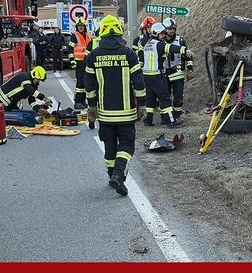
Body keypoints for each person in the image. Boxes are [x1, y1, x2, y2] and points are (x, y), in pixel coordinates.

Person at [85, 16, 147, 196]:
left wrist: (92, 106)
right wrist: (142, 105)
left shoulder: (94, 56)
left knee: (110, 147)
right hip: (126, 114)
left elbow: (89, 84)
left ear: (102, 32)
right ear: (119, 31)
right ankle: (119, 175)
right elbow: (139, 82)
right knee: (127, 144)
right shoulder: (129, 53)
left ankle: (112, 175)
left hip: (105, 114)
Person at [140, 22, 189, 127]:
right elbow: (170, 48)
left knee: (150, 98)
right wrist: (184, 50)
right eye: (162, 34)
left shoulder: (148, 43)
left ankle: (148, 120)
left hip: (147, 76)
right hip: (157, 76)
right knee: (165, 98)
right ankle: (171, 121)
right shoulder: (159, 44)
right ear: (157, 33)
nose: (164, 36)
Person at [162, 18, 193, 121]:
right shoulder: (160, 41)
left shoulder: (180, 40)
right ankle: (167, 117)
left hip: (177, 72)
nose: (172, 31)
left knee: (178, 96)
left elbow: (188, 55)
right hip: (164, 73)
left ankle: (177, 115)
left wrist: (190, 69)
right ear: (165, 29)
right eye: (170, 29)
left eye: (174, 29)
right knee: (165, 96)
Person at [69, 18, 93, 109]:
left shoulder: (88, 35)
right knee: (80, 83)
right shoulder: (74, 36)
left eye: (82, 26)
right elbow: (70, 49)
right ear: (77, 27)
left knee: (85, 83)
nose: (80, 27)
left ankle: (82, 101)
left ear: (84, 26)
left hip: (87, 62)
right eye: (79, 26)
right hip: (79, 62)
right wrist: (72, 60)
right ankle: (77, 101)